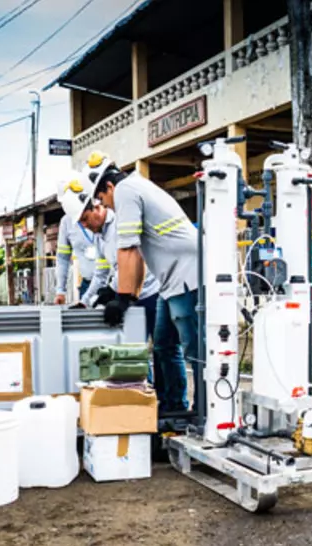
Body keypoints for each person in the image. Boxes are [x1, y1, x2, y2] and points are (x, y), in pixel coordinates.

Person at [89, 150, 200, 414]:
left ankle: (205, 411)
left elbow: (127, 248)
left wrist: (123, 298)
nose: (107, 206)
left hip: (187, 276)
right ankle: (172, 408)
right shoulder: (134, 186)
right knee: (163, 344)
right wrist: (126, 294)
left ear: (109, 187)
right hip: (169, 281)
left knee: (196, 350)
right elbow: (136, 253)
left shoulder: (125, 191)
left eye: (103, 199)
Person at [58, 169, 175, 407]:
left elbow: (132, 260)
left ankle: (173, 402)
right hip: (132, 295)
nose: (85, 226)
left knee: (164, 350)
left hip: (151, 292)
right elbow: (102, 272)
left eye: (85, 219)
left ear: (97, 208)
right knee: (134, 352)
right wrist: (88, 300)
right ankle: (146, 399)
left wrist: (119, 295)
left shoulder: (121, 222)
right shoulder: (99, 235)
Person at [53, 196, 108, 304]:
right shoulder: (67, 222)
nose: (84, 224)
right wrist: (60, 291)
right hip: (87, 285)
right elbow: (62, 259)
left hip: (111, 285)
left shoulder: (105, 214)